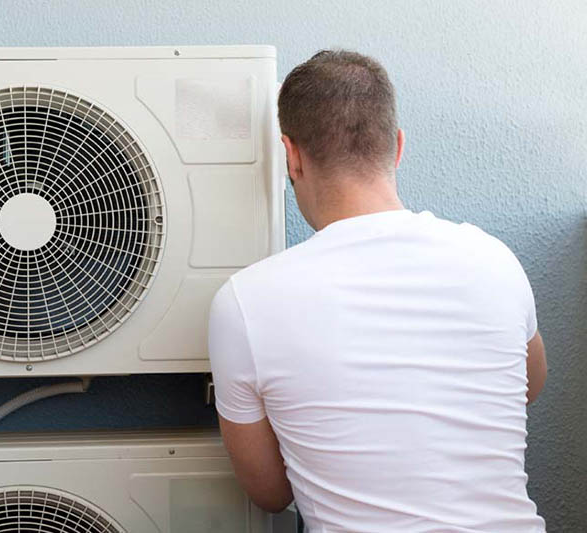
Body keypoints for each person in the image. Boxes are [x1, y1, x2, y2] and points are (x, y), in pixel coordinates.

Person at [208, 50, 547, 532]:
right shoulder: (494, 259)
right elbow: (528, 386)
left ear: (292, 156)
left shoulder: (244, 302)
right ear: (398, 146)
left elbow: (270, 494)